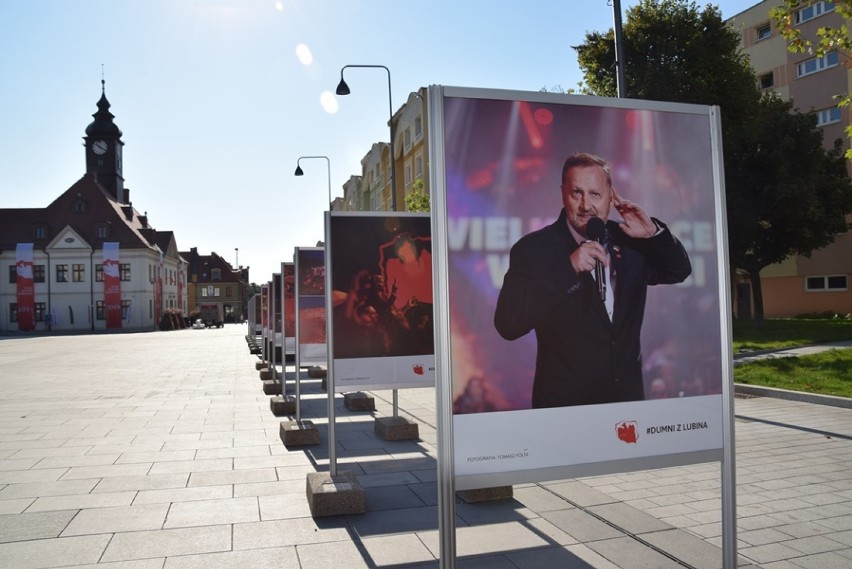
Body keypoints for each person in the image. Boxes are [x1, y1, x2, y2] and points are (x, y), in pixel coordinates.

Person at [493, 152, 692, 408]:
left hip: (626, 407)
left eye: (595, 194)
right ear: (563, 193)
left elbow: (679, 271)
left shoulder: (630, 241)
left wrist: (653, 233)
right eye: (577, 193)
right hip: (566, 410)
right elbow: (509, 324)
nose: (586, 205)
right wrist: (569, 269)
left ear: (611, 197)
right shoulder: (532, 249)